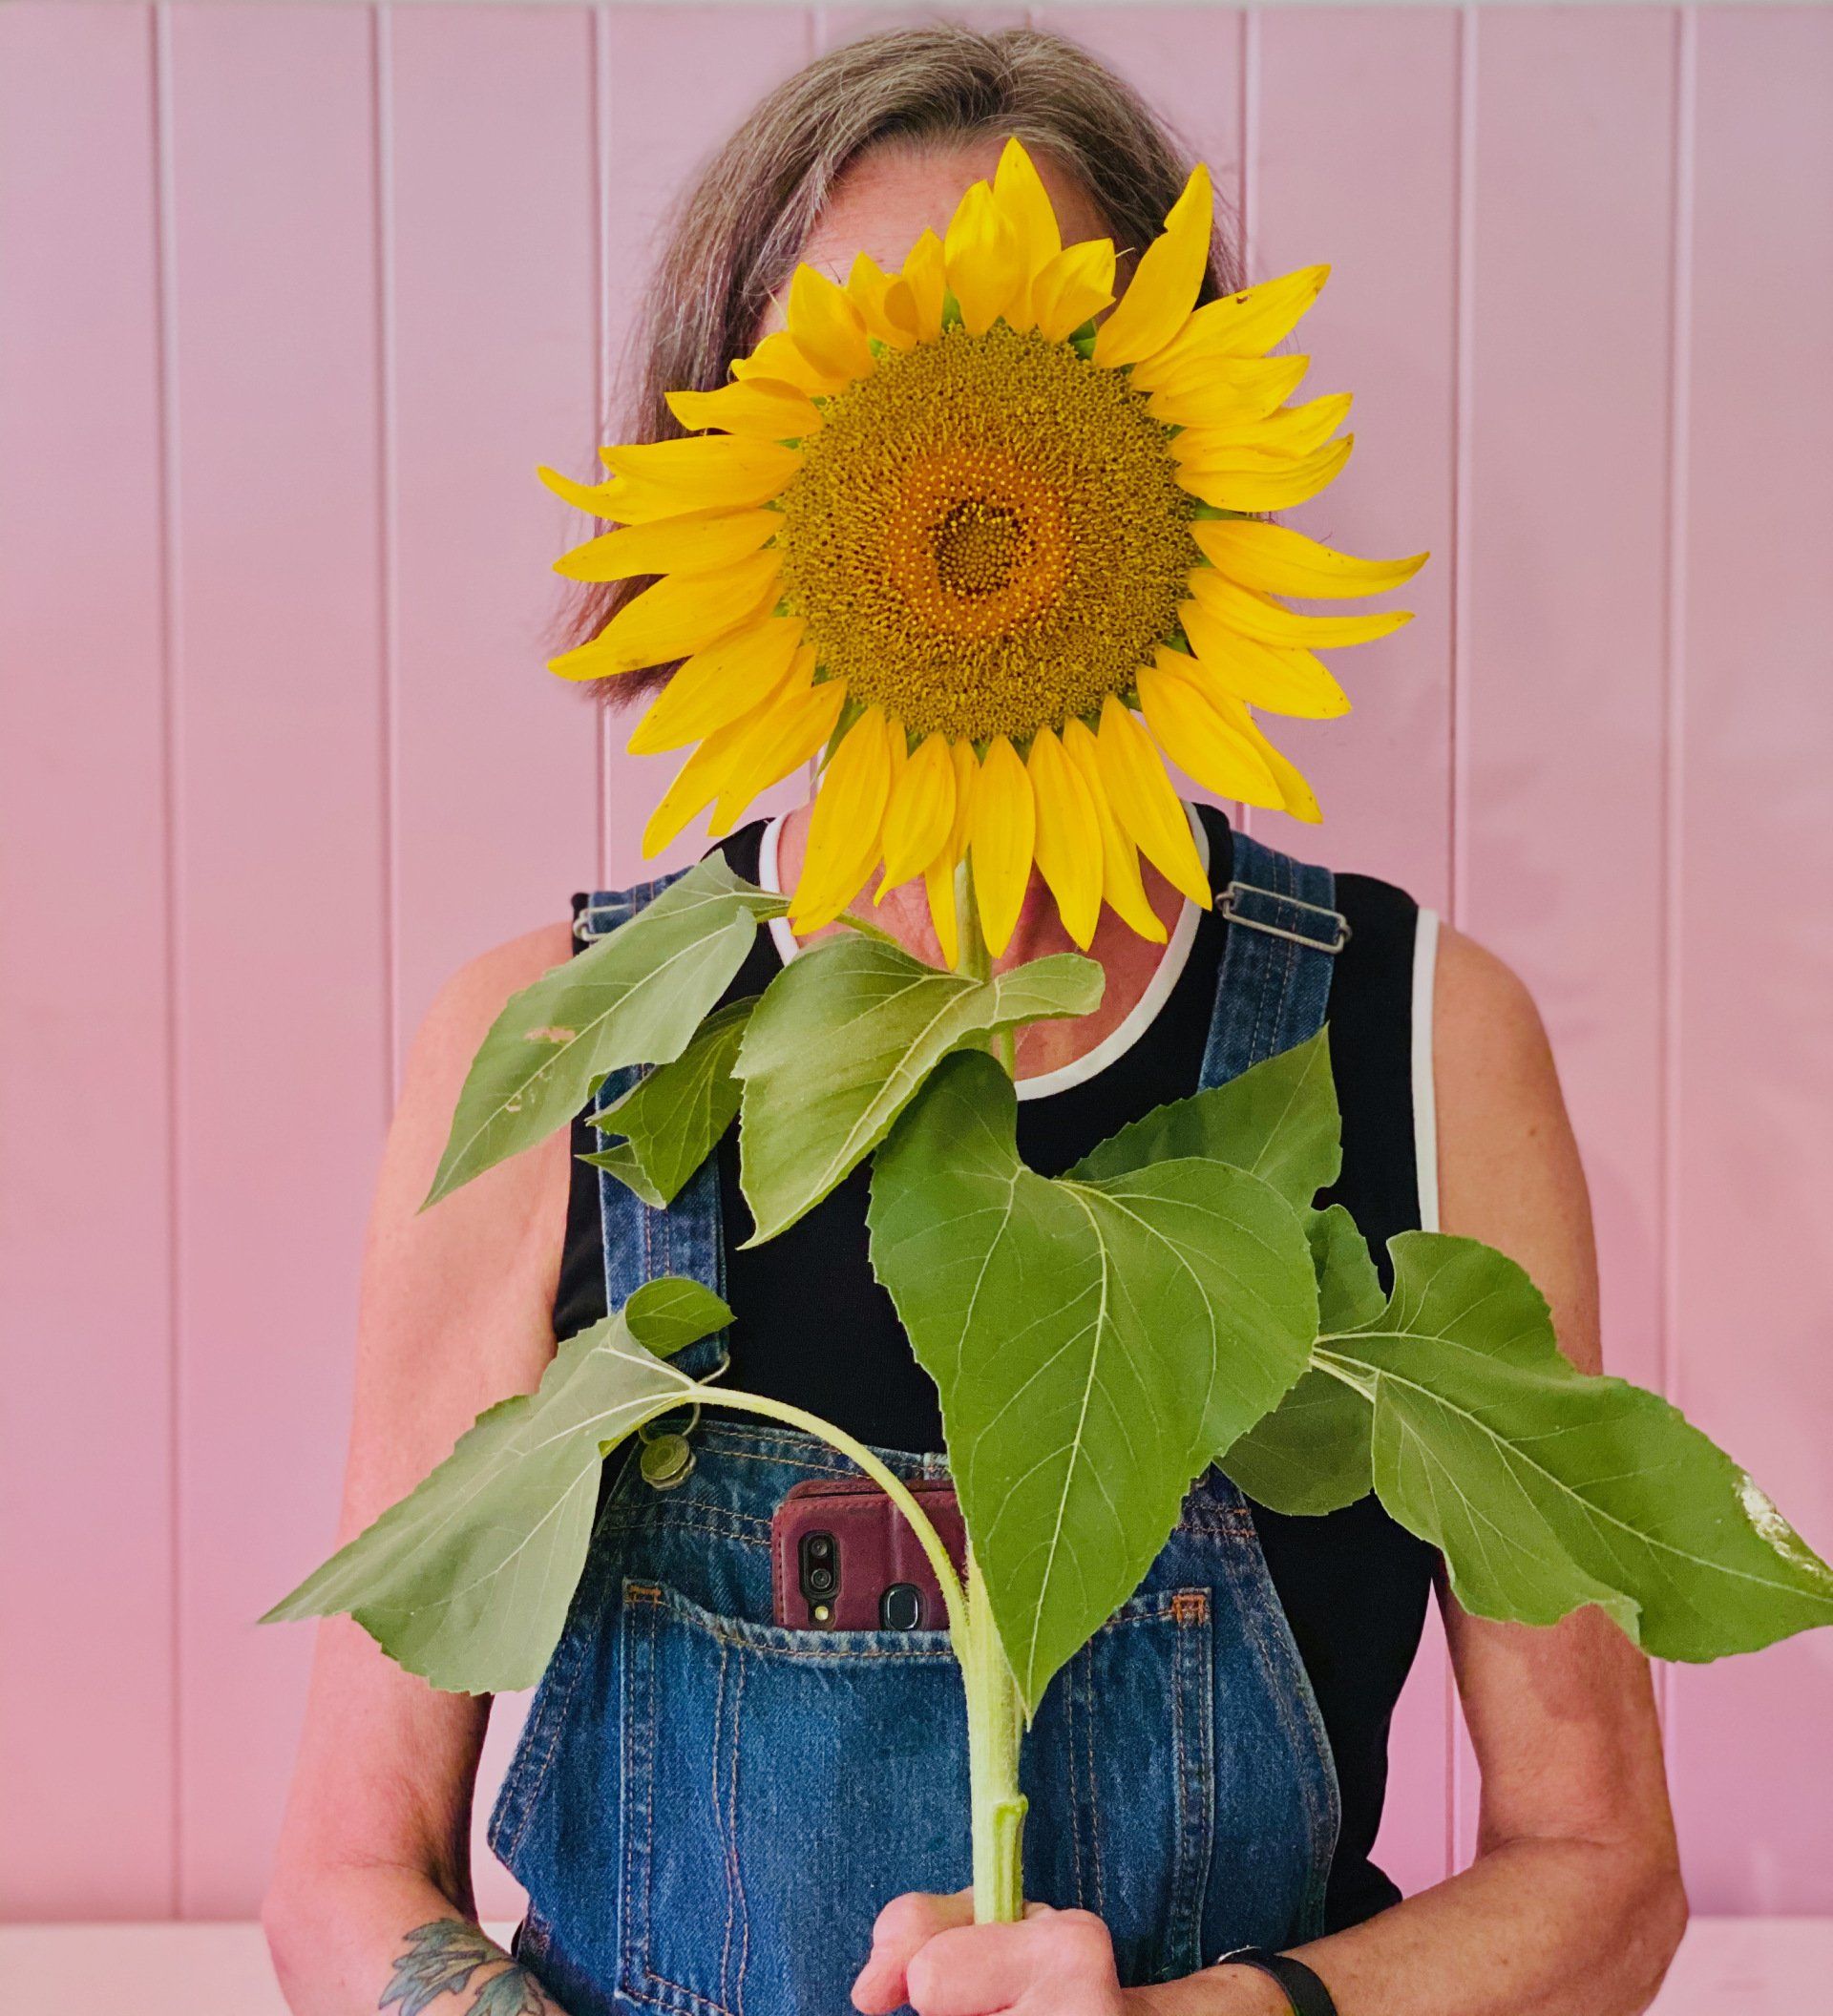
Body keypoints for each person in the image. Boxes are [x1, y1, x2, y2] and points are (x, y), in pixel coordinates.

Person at [263, 25, 1687, 2016]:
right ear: (728, 464)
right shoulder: (558, 1043)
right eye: (863, 389)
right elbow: (347, 1872)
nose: (963, 460)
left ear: (1170, 434)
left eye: (1032, 381)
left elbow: (1604, 1873)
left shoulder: (1417, 1041)